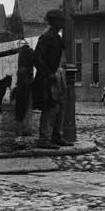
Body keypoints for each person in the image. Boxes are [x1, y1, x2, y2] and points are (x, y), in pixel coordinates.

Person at [33, 9, 70, 148]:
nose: (62, 23)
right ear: (53, 21)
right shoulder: (46, 37)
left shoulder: (56, 37)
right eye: (60, 20)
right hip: (48, 79)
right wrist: (49, 74)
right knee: (50, 108)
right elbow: (37, 58)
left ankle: (56, 136)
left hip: (58, 76)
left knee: (60, 107)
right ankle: (44, 139)